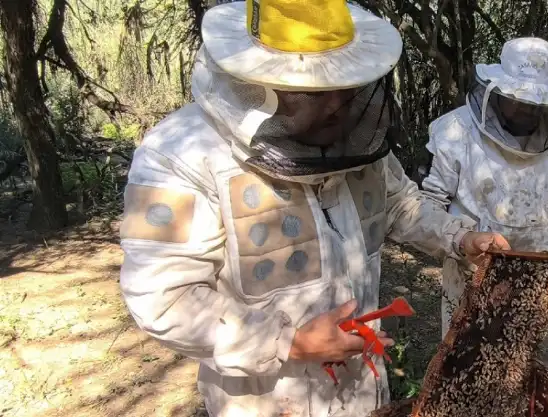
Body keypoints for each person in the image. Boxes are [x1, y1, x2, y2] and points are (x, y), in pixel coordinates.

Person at [117, 1, 509, 416]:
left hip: (361, 389)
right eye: (315, 92)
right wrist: (286, 342)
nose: (337, 105)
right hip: (265, 399)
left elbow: (399, 205)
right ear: (260, 87)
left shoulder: (356, 140)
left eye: (347, 86)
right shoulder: (179, 153)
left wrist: (459, 238)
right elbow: (164, 298)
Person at [421, 37, 548, 336]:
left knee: (515, 356)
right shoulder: (455, 131)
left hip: (535, 281)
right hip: (470, 274)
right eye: (519, 99)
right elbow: (430, 205)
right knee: (463, 354)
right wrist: (460, 240)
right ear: (496, 90)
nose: (528, 108)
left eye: (537, 102)